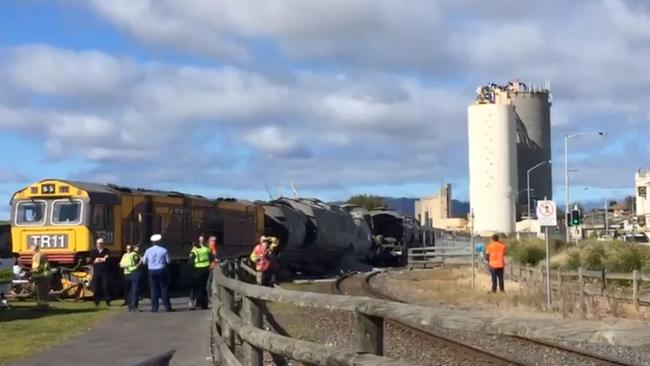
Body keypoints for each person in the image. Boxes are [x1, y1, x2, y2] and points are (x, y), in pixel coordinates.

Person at [142, 234, 174, 312]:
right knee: (164, 288)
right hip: (161, 270)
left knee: (153, 289)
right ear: (160, 241)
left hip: (151, 271)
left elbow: (144, 262)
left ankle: (154, 308)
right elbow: (168, 261)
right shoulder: (164, 250)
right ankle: (167, 307)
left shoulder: (148, 250)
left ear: (152, 242)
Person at [189, 236, 212, 310]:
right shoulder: (206, 249)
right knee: (203, 287)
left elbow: (191, 261)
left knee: (196, 287)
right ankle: (204, 304)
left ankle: (195, 303)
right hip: (206, 269)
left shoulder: (194, 251)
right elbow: (211, 258)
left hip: (197, 270)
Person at [90, 238, 111, 307]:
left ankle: (108, 301)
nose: (100, 245)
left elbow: (107, 260)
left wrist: (99, 259)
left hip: (105, 272)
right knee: (96, 287)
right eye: (98, 243)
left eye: (101, 243)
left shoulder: (107, 251)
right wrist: (102, 259)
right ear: (96, 244)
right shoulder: (93, 251)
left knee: (105, 286)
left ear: (103, 244)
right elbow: (93, 260)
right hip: (96, 272)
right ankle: (96, 302)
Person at [120, 244, 142, 312]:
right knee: (134, 290)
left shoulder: (127, 255)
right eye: (127, 248)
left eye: (129, 248)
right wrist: (138, 264)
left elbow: (121, 264)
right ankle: (133, 306)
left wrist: (125, 266)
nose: (128, 250)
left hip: (128, 273)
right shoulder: (132, 255)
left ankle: (131, 306)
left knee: (131, 291)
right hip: (132, 273)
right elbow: (132, 263)